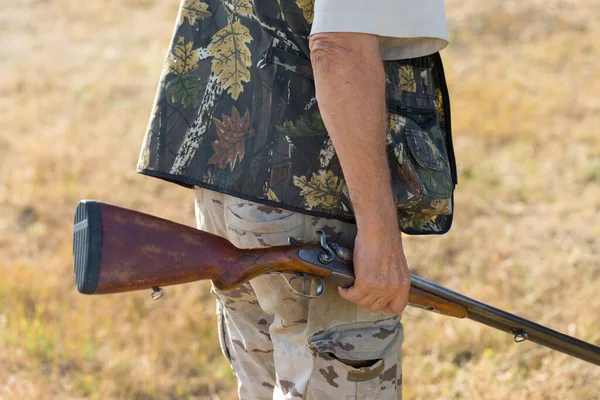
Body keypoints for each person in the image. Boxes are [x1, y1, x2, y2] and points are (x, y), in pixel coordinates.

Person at [137, 1, 455, 398]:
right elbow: (338, 48)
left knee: (261, 384)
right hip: (309, 198)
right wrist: (378, 230)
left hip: (228, 186)